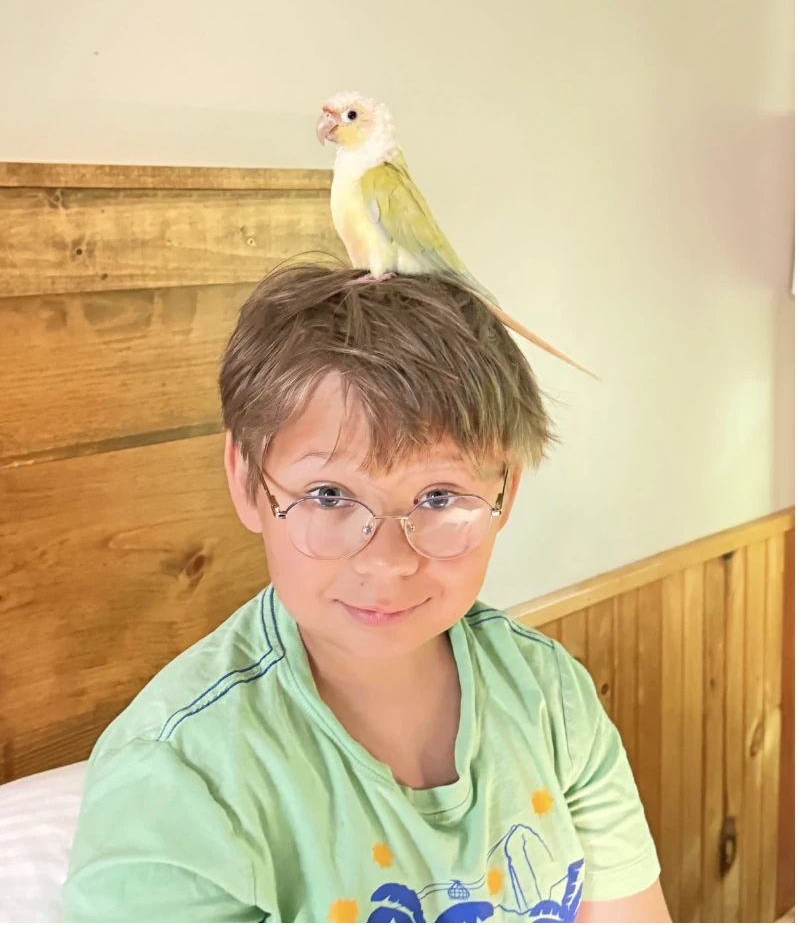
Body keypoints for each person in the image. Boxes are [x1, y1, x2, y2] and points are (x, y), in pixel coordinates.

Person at [64, 264, 670, 924]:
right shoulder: (177, 784)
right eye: (330, 495)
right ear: (246, 481)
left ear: (506, 493)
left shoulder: (552, 697)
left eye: (439, 497)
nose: (387, 564)